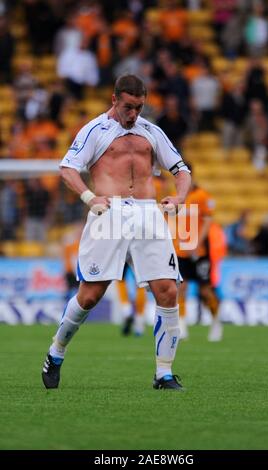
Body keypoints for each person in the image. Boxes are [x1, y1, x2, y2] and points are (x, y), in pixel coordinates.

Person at [41, 74, 191, 391]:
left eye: (139, 107)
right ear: (114, 100)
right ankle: (56, 352)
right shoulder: (95, 130)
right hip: (109, 213)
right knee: (90, 296)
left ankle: (163, 373)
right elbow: (68, 168)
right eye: (128, 107)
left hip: (149, 213)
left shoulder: (151, 131)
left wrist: (179, 198)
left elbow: (182, 170)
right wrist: (88, 197)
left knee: (167, 290)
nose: (133, 114)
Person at [174, 166, 224, 341]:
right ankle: (182, 326)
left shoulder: (202, 196)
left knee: (205, 290)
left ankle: (216, 321)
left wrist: (197, 242)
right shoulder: (176, 197)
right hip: (181, 252)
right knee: (182, 288)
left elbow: (208, 221)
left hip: (200, 252)